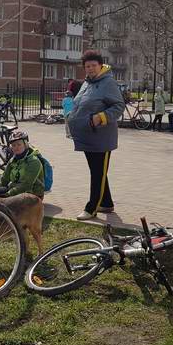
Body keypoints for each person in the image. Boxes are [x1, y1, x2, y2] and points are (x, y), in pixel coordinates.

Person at [67, 50, 125, 220]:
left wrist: (101, 118)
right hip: (87, 136)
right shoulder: (88, 83)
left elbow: (119, 106)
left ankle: (91, 208)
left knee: (97, 172)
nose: (90, 69)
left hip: (101, 137)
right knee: (97, 171)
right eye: (87, 66)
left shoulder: (108, 83)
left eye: (93, 65)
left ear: (100, 65)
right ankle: (106, 203)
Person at [0, 130, 45, 198]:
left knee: (5, 206)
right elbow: (4, 179)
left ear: (25, 144)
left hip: (33, 194)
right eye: (13, 145)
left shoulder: (34, 161)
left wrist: (8, 194)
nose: (16, 147)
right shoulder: (12, 160)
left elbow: (26, 185)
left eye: (19, 144)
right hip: (16, 191)